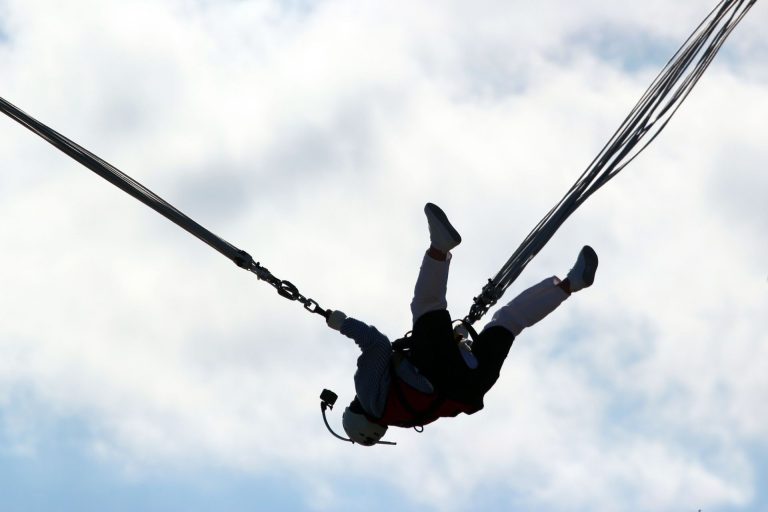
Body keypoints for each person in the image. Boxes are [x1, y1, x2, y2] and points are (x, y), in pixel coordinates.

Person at [325, 203, 598, 446]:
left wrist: (459, 350)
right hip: (441, 370)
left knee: (510, 321)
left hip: (473, 385)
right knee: (427, 305)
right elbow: (376, 344)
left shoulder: (407, 417)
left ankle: (572, 284)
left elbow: (437, 386)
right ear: (358, 414)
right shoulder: (369, 394)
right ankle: (439, 248)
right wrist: (343, 323)